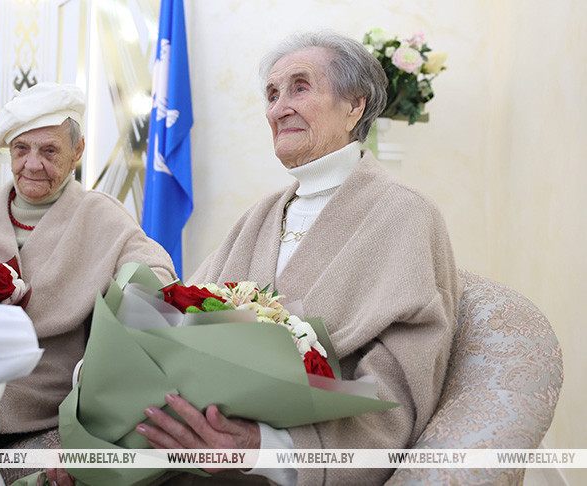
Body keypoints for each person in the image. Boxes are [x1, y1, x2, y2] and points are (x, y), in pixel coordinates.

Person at [130, 31, 462, 486]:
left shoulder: (406, 214)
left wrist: (261, 448)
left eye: (299, 88)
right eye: (272, 93)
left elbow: (402, 385)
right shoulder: (259, 214)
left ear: (354, 107)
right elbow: (180, 317)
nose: (278, 107)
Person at [0, 83, 177, 481]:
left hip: (46, 420)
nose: (32, 165)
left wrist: (127, 303)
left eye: (49, 151)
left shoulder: (100, 216)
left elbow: (156, 277)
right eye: (21, 150)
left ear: (77, 153)